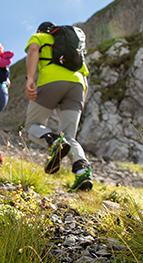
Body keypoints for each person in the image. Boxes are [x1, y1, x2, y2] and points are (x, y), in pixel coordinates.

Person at [24, 22, 93, 192]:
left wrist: (30, 79)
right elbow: (84, 77)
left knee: (32, 125)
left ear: (40, 30)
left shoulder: (40, 37)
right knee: (70, 135)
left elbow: (33, 51)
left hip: (51, 81)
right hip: (77, 87)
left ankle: (55, 141)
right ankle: (83, 172)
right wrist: (80, 101)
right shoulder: (73, 49)